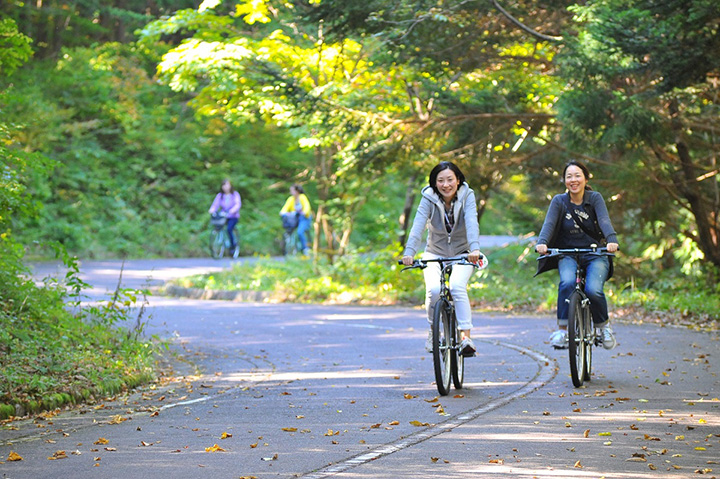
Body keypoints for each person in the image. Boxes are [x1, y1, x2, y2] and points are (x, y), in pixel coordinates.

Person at [402, 161, 485, 356]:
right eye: (440, 181)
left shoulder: (468, 196)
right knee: (434, 290)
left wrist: (474, 248)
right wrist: (409, 252)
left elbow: (472, 222)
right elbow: (418, 225)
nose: (445, 185)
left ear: (458, 180)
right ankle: (434, 333)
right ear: (434, 183)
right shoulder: (428, 198)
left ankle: (465, 337)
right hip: (435, 252)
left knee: (456, 286)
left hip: (464, 252)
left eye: (450, 180)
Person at [535, 160, 619, 350]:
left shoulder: (594, 198)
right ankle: (563, 331)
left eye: (577, 175)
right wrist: (542, 243)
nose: (573, 180)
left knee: (593, 290)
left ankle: (603, 327)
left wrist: (611, 239)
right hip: (568, 254)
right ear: (564, 180)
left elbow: (604, 221)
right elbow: (549, 225)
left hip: (595, 253)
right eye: (569, 176)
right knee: (566, 283)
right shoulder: (559, 201)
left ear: (586, 178)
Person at [208, 179, 242, 253]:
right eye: (224, 185)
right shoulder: (220, 195)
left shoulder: (235, 194)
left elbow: (237, 204)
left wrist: (232, 211)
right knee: (218, 227)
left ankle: (233, 246)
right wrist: (212, 210)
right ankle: (221, 243)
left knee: (229, 229)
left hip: (233, 216)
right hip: (223, 216)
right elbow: (215, 205)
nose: (225, 187)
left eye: (227, 185)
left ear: (230, 186)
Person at [280, 184, 312, 254]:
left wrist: (304, 212)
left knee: (300, 232)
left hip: (304, 218)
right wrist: (282, 212)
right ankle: (292, 247)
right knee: (289, 229)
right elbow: (285, 208)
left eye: (292, 190)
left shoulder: (302, 197)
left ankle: (305, 248)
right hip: (295, 218)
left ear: (297, 191)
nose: (291, 192)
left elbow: (307, 207)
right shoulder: (291, 199)